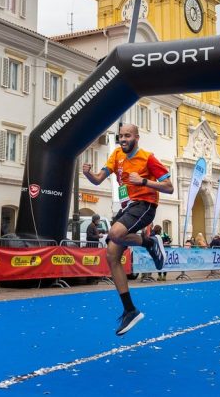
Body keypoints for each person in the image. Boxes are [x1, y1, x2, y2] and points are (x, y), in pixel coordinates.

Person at [82, 123, 172, 336]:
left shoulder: (148, 158)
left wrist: (144, 181)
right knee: (111, 255)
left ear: (136, 138)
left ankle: (150, 242)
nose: (123, 139)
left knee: (115, 233)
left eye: (128, 136)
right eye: (121, 136)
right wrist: (88, 174)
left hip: (145, 205)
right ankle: (130, 310)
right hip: (127, 207)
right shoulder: (116, 155)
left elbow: (169, 187)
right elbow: (98, 180)